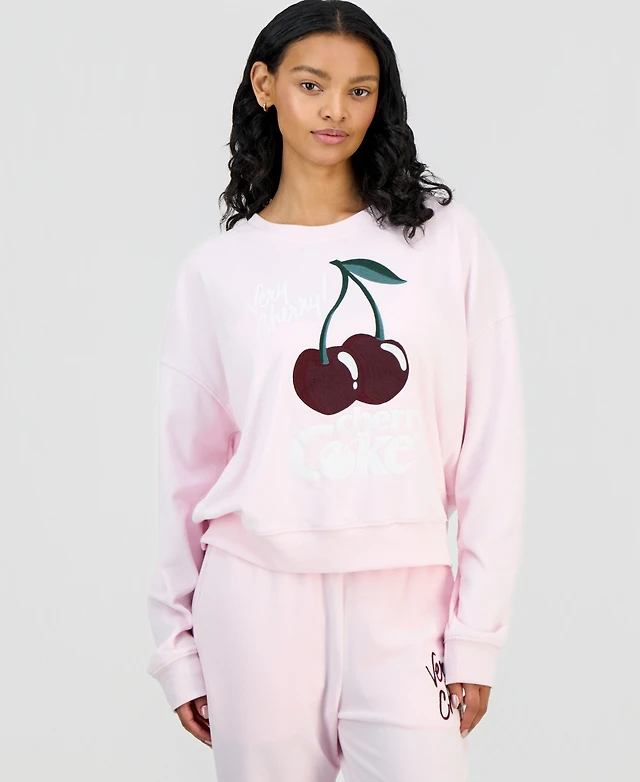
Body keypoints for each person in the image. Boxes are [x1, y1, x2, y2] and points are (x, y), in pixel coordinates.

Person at [145, 1, 526, 780]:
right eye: (312, 85)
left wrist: (477, 631)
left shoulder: (443, 241)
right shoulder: (216, 274)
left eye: (360, 90)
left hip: (406, 600)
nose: (336, 111)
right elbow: (184, 470)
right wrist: (176, 647)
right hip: (255, 600)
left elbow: (493, 440)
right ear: (265, 86)